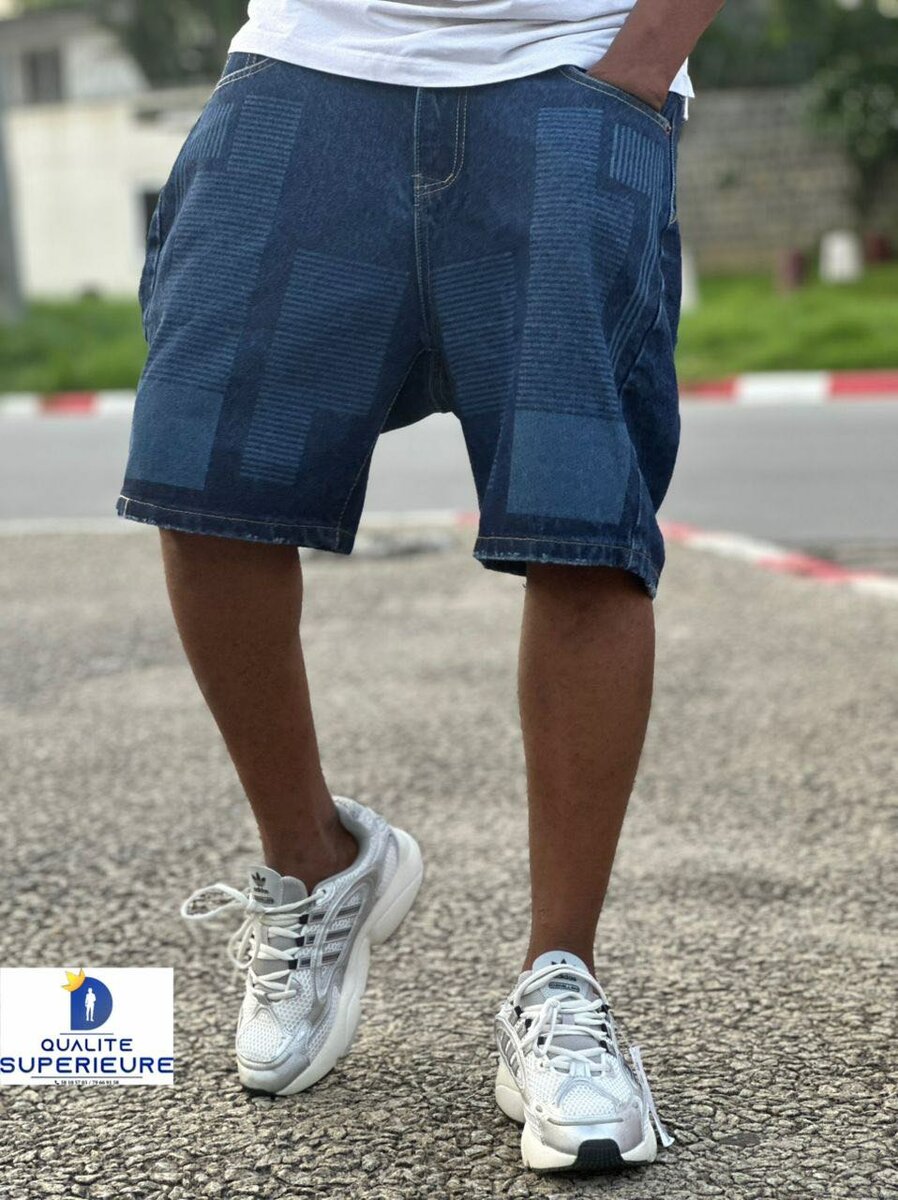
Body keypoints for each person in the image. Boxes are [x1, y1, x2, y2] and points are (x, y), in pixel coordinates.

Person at [117, 0, 723, 1173]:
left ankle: (561, 984)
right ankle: (313, 862)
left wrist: (639, 68)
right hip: (307, 60)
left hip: (571, 62)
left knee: (583, 524)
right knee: (204, 484)